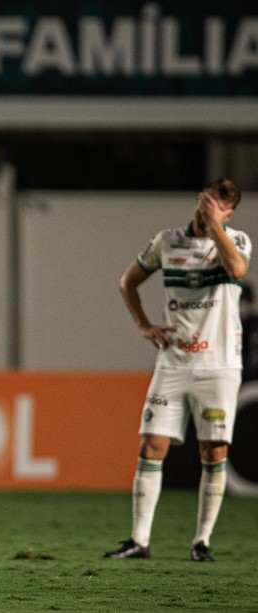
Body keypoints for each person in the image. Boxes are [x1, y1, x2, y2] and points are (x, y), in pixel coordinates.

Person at [106, 178, 250, 562]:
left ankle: (201, 541)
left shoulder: (236, 240)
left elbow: (237, 270)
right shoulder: (167, 241)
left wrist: (215, 226)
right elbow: (128, 282)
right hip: (173, 361)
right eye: (204, 201)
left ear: (228, 212)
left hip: (219, 366)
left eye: (216, 206)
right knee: (151, 446)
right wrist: (143, 325)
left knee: (213, 451)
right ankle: (139, 540)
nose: (206, 209)